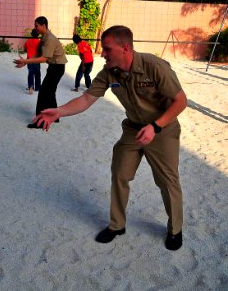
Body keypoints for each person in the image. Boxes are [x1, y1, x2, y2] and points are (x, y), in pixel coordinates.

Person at [32, 25, 187, 251]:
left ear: (125, 48)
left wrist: (155, 126)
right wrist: (59, 111)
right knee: (119, 174)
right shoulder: (108, 72)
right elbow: (86, 99)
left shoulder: (154, 66)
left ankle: (175, 230)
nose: (102, 53)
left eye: (106, 49)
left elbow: (181, 101)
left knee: (167, 180)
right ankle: (117, 225)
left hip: (162, 130)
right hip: (133, 129)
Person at [14, 16, 68, 129]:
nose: (35, 28)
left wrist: (26, 61)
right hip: (54, 67)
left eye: (37, 26)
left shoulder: (50, 39)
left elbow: (43, 58)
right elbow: (38, 53)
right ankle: (55, 117)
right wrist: (25, 62)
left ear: (43, 25)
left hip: (57, 68)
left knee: (44, 93)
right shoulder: (44, 37)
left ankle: (39, 121)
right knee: (50, 92)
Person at [23, 29, 41, 95]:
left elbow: (24, 48)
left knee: (30, 73)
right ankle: (38, 87)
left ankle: (31, 86)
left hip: (29, 60)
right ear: (38, 35)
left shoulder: (28, 41)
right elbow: (41, 50)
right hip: (37, 60)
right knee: (37, 73)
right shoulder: (39, 42)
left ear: (31, 34)